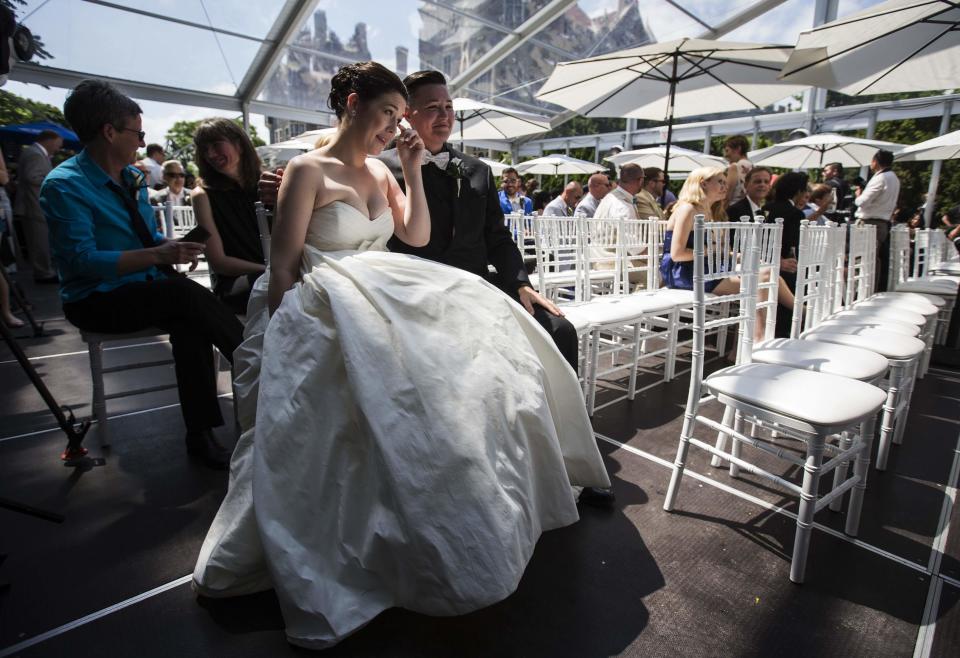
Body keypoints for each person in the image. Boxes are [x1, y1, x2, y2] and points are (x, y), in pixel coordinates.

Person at [193, 62, 610, 650]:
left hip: (391, 281)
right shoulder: (308, 170)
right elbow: (283, 263)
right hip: (327, 291)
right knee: (363, 411)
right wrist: (278, 332)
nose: (396, 126)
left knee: (478, 358)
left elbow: (414, 236)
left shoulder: (383, 170)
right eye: (389, 113)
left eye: (398, 117)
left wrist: (411, 172)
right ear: (354, 103)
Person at [39, 79, 243, 469]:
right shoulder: (64, 186)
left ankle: (200, 435)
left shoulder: (132, 179)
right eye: (138, 133)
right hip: (95, 299)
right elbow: (81, 261)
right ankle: (257, 363)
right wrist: (155, 254)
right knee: (185, 297)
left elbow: (146, 239)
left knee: (191, 320)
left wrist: (173, 248)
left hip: (144, 287)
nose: (141, 141)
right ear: (109, 132)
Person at [661, 166, 794, 343]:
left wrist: (737, 255)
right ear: (703, 183)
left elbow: (715, 250)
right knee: (762, 279)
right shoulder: (688, 209)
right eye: (720, 182)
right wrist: (715, 252)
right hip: (683, 271)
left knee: (766, 270)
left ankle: (753, 340)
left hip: (705, 267)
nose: (726, 186)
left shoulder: (712, 211)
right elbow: (677, 254)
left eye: (725, 182)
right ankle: (759, 338)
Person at [191, 118, 266, 314]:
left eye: (216, 145)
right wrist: (270, 271)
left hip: (277, 273)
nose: (210, 154)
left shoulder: (267, 184)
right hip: (236, 282)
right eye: (204, 148)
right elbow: (219, 262)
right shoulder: (203, 195)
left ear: (239, 144)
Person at [15, 129, 62, 283]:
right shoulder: (35, 153)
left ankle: (45, 270)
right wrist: (54, 181)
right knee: (38, 240)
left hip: (35, 205)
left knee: (41, 239)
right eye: (58, 144)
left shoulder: (37, 153)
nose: (58, 148)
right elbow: (32, 177)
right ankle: (43, 273)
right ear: (50, 139)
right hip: (32, 205)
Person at [854, 149, 900, 292]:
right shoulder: (894, 178)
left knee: (865, 259)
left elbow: (862, 202)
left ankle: (863, 291)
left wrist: (858, 195)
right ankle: (871, 289)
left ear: (875, 161)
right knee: (874, 259)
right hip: (882, 223)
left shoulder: (881, 178)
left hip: (869, 223)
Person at [723, 135, 753, 206]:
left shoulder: (735, 167)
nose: (725, 155)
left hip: (733, 209)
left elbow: (727, 196)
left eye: (727, 150)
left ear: (738, 149)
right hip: (749, 209)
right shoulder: (754, 167)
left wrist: (719, 213)